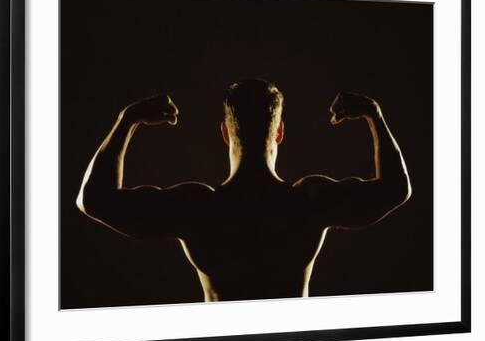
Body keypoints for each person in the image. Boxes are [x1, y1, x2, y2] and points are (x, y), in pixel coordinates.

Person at [76, 80, 411, 301]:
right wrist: (374, 115)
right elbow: (397, 188)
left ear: (224, 133)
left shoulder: (197, 209)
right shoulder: (309, 203)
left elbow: (93, 199)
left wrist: (127, 120)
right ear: (280, 132)